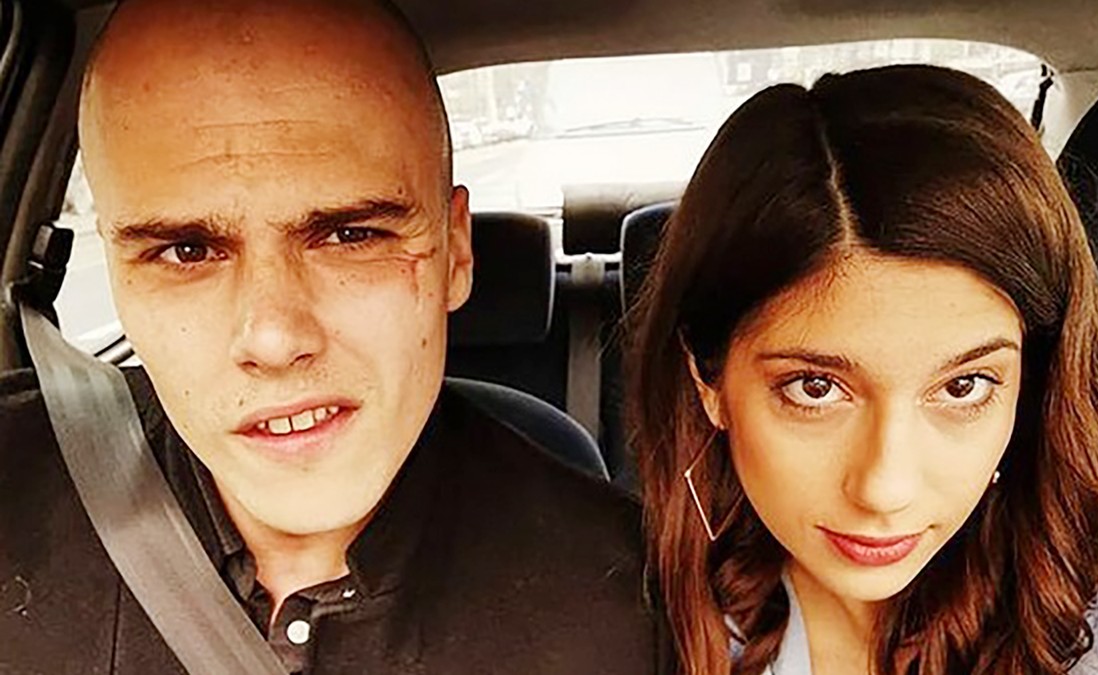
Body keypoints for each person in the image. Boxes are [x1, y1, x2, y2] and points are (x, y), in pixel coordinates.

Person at [0, 0, 671, 673]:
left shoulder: (631, 608)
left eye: (351, 236)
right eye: (187, 252)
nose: (273, 339)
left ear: (456, 253)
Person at [626, 65, 1098, 674]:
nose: (885, 490)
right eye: (815, 388)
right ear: (708, 380)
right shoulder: (629, 625)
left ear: (1032, 379)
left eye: (963, 386)